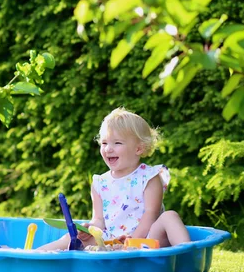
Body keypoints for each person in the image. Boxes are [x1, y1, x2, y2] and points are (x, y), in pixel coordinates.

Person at [38, 107, 190, 251]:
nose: (108, 148)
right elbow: (99, 220)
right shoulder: (100, 183)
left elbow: (151, 214)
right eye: (104, 143)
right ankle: (32, 255)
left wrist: (132, 242)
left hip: (147, 239)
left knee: (170, 216)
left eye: (117, 143)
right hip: (113, 241)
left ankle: (188, 254)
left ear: (139, 148)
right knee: (71, 239)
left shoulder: (149, 177)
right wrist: (89, 229)